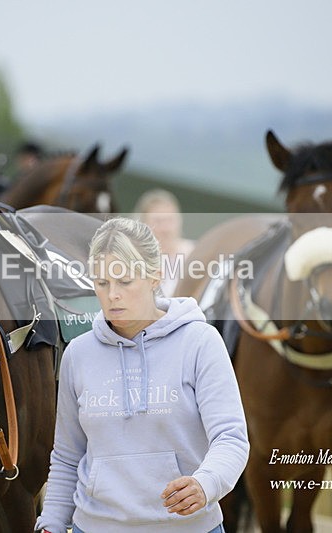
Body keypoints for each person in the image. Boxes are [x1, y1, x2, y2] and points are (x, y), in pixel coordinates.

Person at [35, 217, 248, 533]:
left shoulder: (200, 342)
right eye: (102, 283)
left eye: (125, 281)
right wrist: (51, 522)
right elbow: (68, 457)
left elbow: (231, 438)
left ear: (155, 275)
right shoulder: (78, 354)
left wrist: (207, 483)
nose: (112, 295)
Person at [134, 189, 195, 297]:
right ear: (143, 224)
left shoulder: (194, 254)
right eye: (158, 221)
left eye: (170, 220)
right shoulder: (134, 259)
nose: (165, 229)